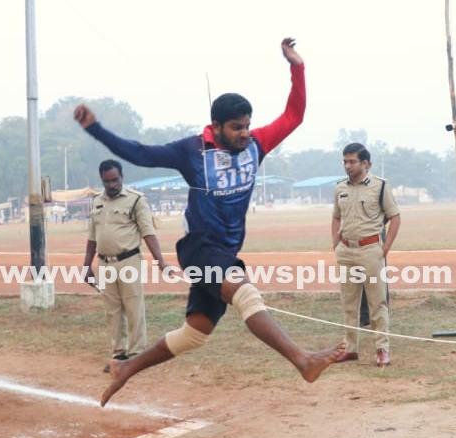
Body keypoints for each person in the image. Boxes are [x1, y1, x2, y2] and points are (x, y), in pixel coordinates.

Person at [75, 37, 347, 406]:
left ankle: (127, 368)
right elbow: (139, 153)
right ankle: (303, 360)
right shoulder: (191, 151)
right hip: (199, 247)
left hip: (225, 248)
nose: (245, 132)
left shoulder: (257, 144)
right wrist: (96, 129)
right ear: (216, 126)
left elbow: (293, 116)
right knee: (245, 291)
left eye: (248, 125)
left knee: (195, 333)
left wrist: (296, 67)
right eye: (236, 127)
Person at [82, 159, 168, 373]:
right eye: (107, 181)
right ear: (102, 180)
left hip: (129, 261)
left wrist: (161, 261)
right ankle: (118, 354)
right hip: (104, 263)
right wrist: (86, 265)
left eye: (115, 180)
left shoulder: (136, 200)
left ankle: (137, 354)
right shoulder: (96, 202)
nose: (112, 185)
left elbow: (148, 232)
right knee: (112, 311)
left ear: (122, 177)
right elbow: (92, 237)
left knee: (133, 308)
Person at [331, 143, 401, 366]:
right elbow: (336, 217)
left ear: (366, 164)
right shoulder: (340, 188)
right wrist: (335, 244)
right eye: (345, 161)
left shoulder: (380, 187)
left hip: (371, 251)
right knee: (348, 304)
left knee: (377, 303)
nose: (347, 166)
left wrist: (385, 248)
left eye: (352, 161)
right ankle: (350, 349)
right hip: (346, 251)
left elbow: (395, 217)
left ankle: (382, 349)